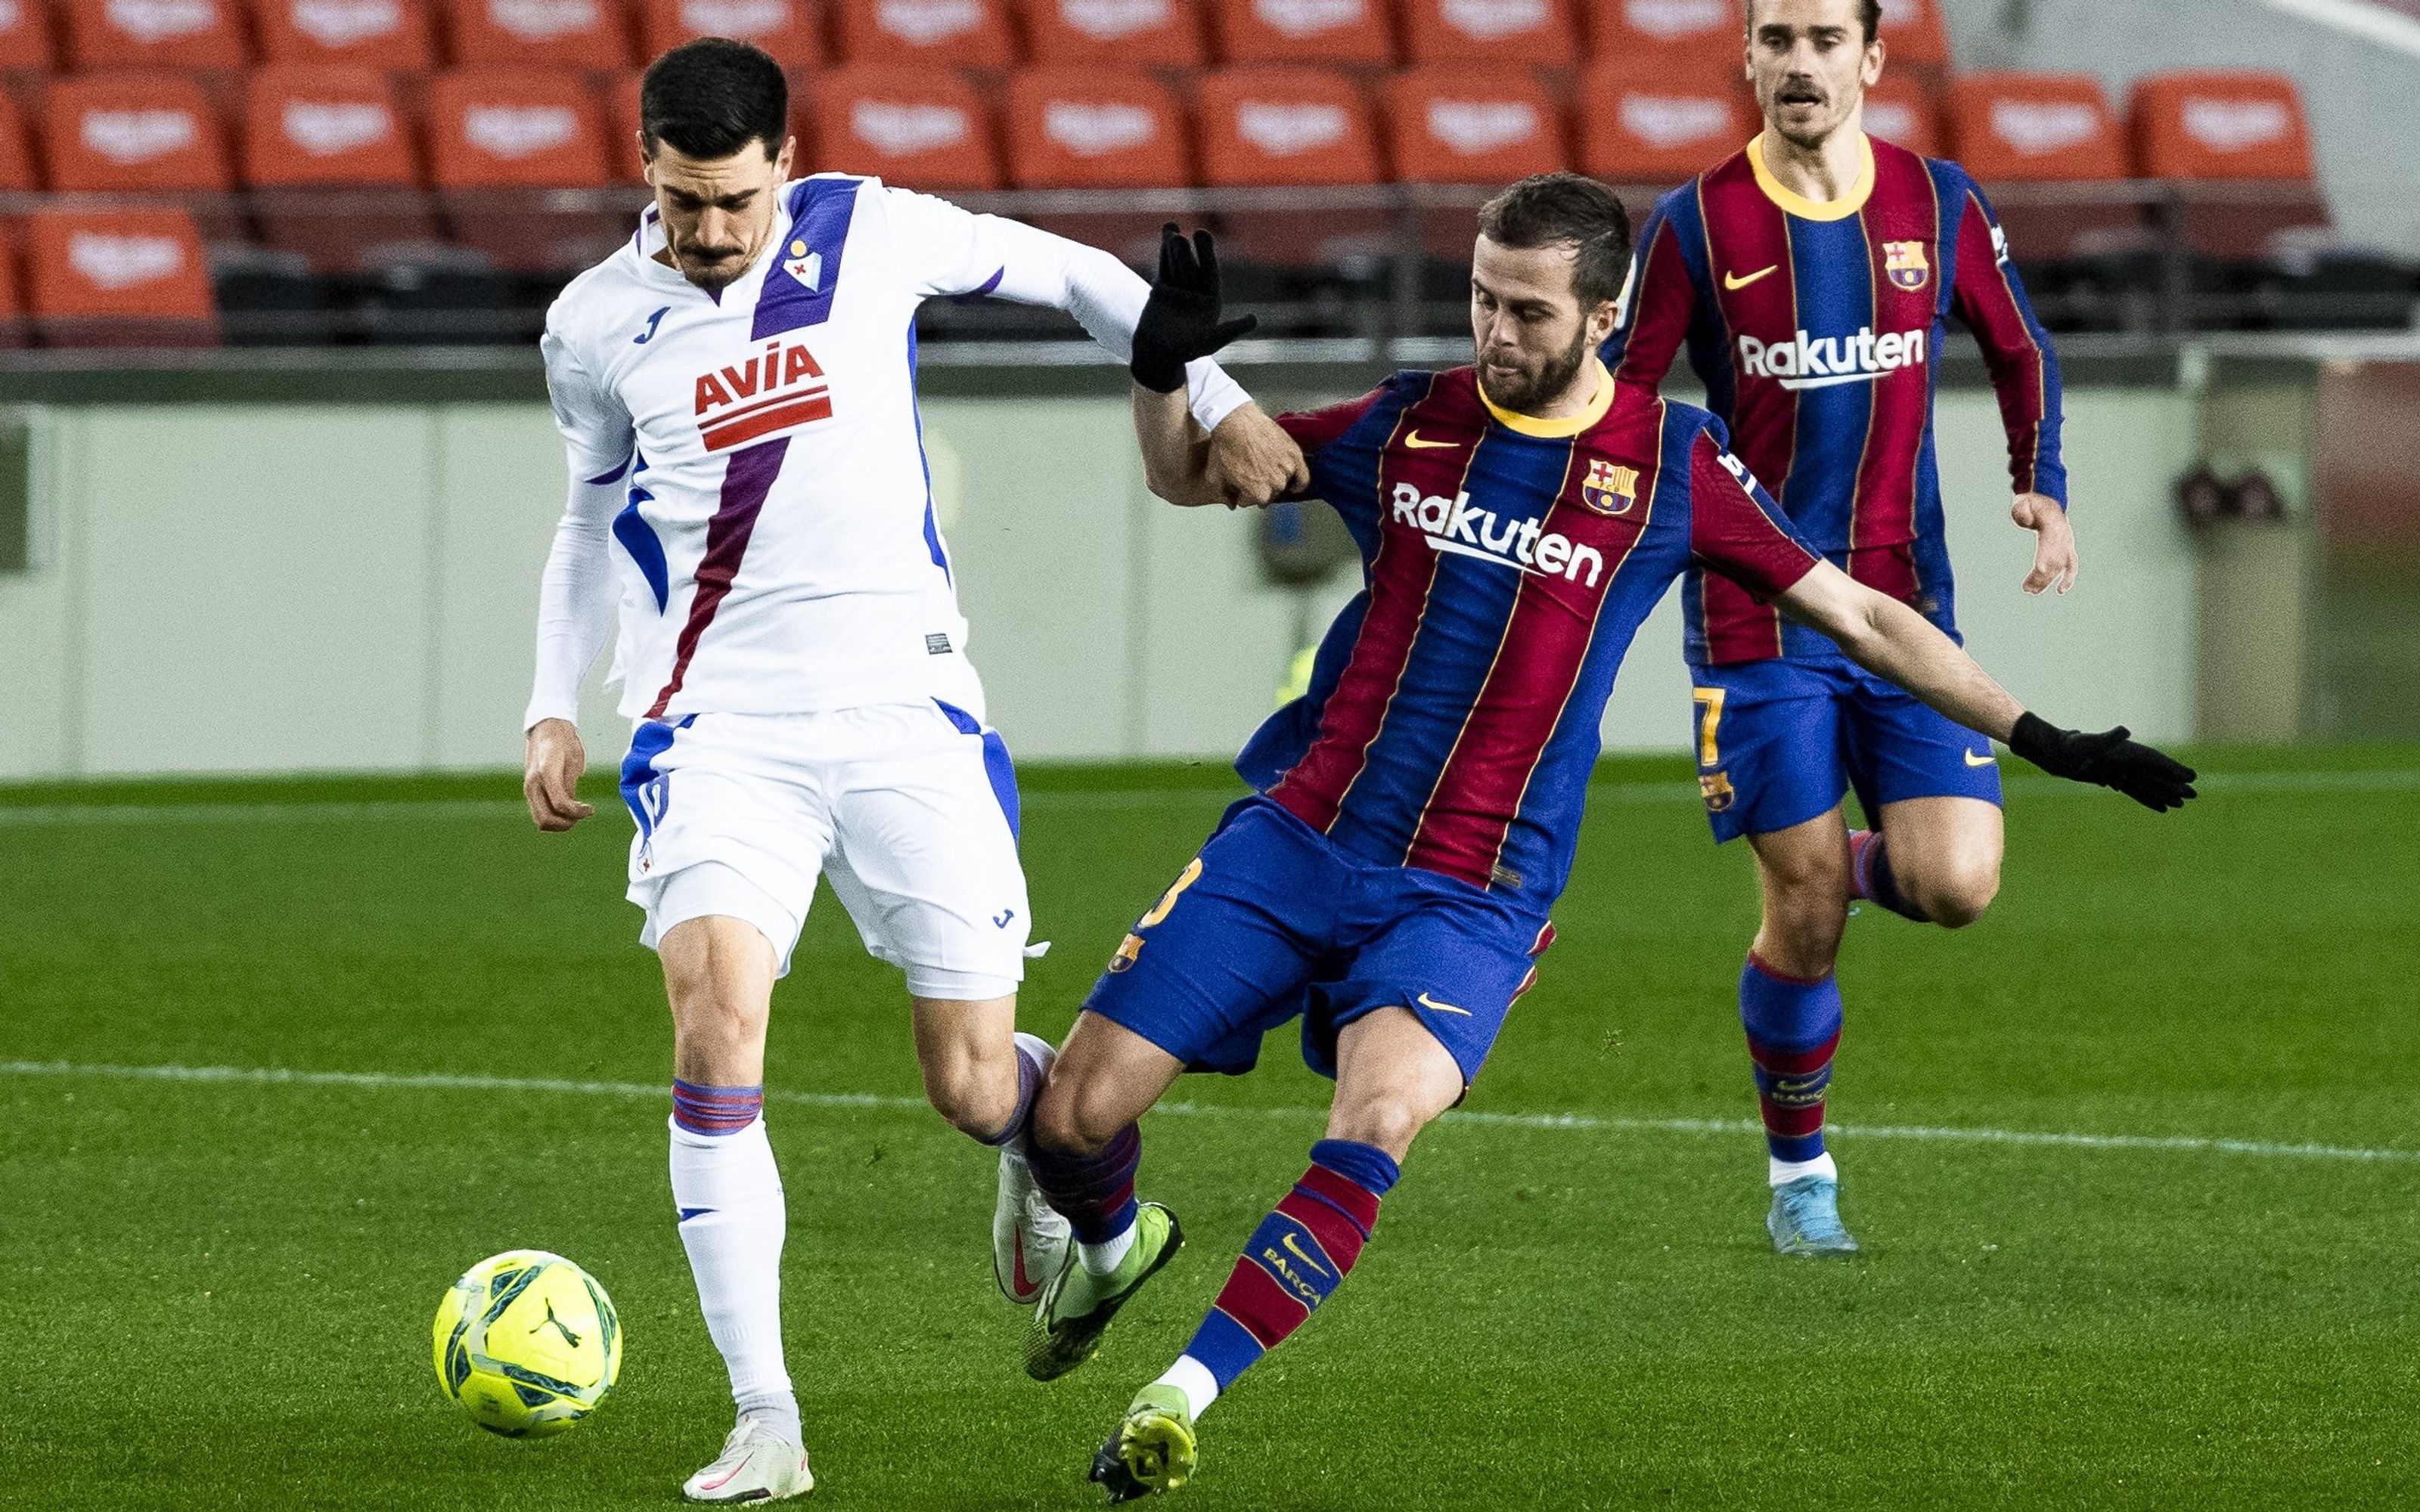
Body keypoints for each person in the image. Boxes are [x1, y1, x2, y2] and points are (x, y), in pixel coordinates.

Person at [1019, 182, 2194, 1501]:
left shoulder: (1675, 466)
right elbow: (1192, 475)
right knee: (1069, 1115)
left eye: (1528, 309)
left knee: (1380, 1117)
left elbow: (1865, 619)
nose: (1497, 332)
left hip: (1475, 893)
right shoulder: (1411, 419)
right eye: (1481, 298)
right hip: (1301, 838)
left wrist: (2043, 737)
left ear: (1606, 313)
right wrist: (1164, 372)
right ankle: (1115, 1249)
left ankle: (1181, 1397)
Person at [517, 38, 1298, 1503]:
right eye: (684, 201)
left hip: (902, 710)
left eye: (737, 200)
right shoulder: (592, 323)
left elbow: (1072, 271)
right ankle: (766, 1419)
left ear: (785, 173)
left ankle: (1098, 1209)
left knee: (966, 1078)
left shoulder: (869, 233)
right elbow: (586, 515)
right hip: (715, 726)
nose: (710, 232)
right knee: (714, 1025)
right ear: (646, 171)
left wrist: (1215, 389)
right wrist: (551, 705)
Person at [1601, 0, 2083, 1253]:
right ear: (1748, 59)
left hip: (1908, 605)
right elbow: (1629, 405)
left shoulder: (1939, 201)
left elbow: (2022, 345)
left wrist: (2043, 482)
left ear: (1871, 60)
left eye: (1824, 39)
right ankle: (1799, 1176)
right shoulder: (1696, 224)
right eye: (1777, 39)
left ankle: (1836, 856)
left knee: (1956, 886)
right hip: (1755, 615)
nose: (1799, 62)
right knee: (1804, 914)